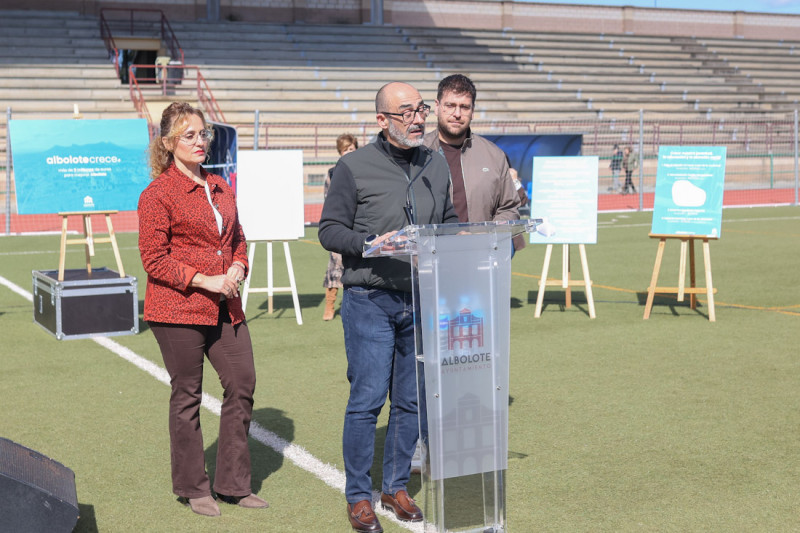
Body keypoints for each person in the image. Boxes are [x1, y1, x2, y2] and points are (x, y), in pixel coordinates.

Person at [319, 81, 458, 533]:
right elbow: (329, 231)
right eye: (406, 112)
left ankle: (395, 487)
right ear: (381, 120)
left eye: (420, 109)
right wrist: (368, 244)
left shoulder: (435, 165)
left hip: (421, 300)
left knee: (412, 401)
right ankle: (359, 496)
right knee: (367, 400)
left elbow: (450, 223)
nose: (417, 119)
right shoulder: (352, 167)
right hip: (370, 300)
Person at [137, 102, 269, 517]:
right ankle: (194, 487)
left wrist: (236, 265)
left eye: (203, 134)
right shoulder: (157, 194)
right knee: (187, 396)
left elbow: (238, 239)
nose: (199, 142)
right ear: (169, 143)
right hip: (177, 308)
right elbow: (153, 258)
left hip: (225, 305)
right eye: (188, 135)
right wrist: (203, 279)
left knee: (242, 383)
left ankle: (232, 483)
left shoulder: (220, 186)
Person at [423, 74, 521, 246]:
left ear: (473, 111)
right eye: (450, 105)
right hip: (430, 254)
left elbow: (509, 207)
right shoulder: (417, 152)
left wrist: (488, 233)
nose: (457, 114)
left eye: (464, 107)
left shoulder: (494, 155)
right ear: (437, 107)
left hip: (481, 253)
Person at [322, 133, 358, 321]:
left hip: (358, 227)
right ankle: (330, 305)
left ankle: (352, 306)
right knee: (334, 266)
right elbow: (329, 199)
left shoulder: (362, 170)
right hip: (340, 225)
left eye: (352, 149)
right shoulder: (332, 172)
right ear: (340, 152)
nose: (348, 153)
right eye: (345, 150)